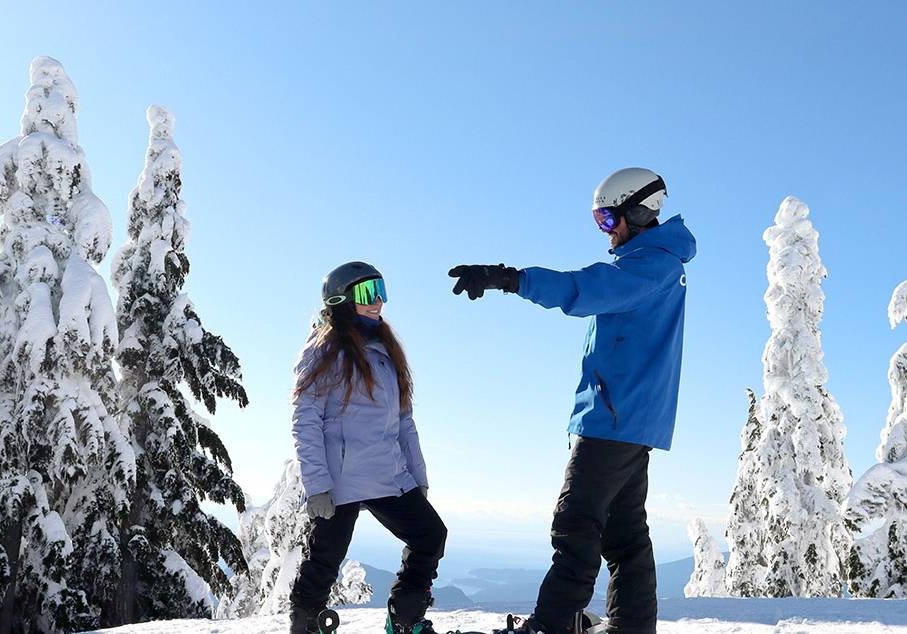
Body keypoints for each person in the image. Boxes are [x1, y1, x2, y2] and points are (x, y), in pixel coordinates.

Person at [448, 168, 696, 634]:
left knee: (575, 525)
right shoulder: (656, 265)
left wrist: (510, 279)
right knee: (625, 537)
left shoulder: (648, 267)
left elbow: (581, 290)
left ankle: (551, 625)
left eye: (608, 219)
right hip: (629, 421)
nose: (606, 231)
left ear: (638, 213)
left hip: (611, 421)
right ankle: (630, 627)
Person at [288, 261, 448, 634]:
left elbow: (404, 422)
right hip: (340, 480)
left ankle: (406, 619)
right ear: (341, 301)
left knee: (430, 535)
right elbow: (305, 420)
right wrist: (318, 486)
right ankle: (305, 626)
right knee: (325, 559)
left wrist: (417, 478)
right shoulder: (324, 350)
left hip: (386, 473)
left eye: (381, 291)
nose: (377, 301)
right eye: (367, 293)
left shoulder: (386, 352)